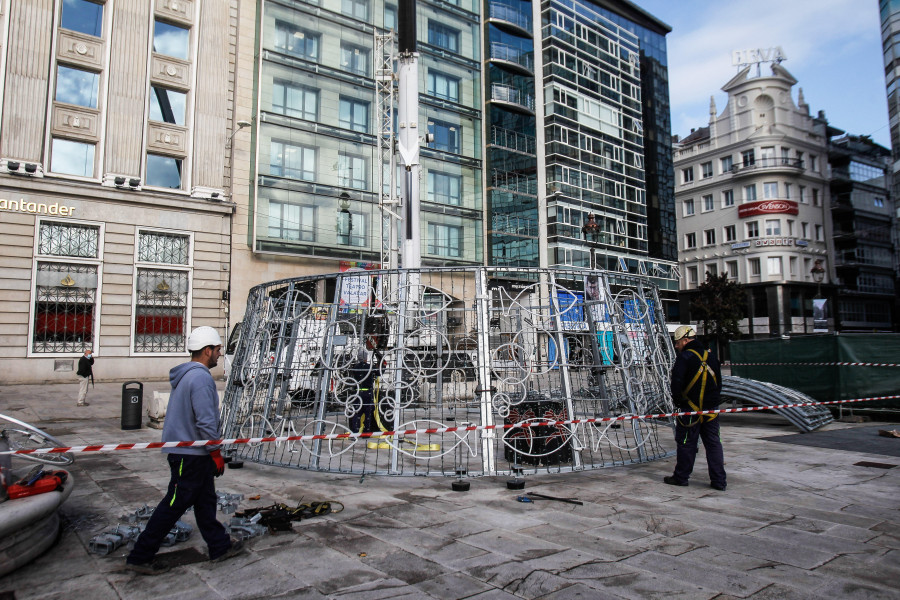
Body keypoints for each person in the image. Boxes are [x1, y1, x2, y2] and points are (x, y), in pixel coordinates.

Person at [126, 326, 244, 575]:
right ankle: (140, 556)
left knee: (205, 501)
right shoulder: (200, 378)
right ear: (207, 350)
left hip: (192, 452)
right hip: (191, 454)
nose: (220, 355)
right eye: (218, 350)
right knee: (174, 504)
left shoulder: (186, 375)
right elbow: (205, 420)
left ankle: (219, 546)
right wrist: (215, 452)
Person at [664, 325, 727, 491]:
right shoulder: (712, 357)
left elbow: (676, 384)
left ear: (685, 340)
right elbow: (719, 384)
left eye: (677, 342)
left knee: (686, 443)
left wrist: (679, 402)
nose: (676, 346)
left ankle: (681, 477)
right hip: (711, 410)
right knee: (714, 444)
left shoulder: (684, 358)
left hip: (690, 410)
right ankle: (719, 481)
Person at [348, 349, 377, 433]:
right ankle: (366, 431)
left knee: (356, 412)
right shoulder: (370, 367)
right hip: (367, 393)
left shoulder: (355, 367)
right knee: (368, 412)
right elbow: (379, 372)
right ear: (366, 357)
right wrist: (382, 365)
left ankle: (355, 431)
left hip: (357, 393)